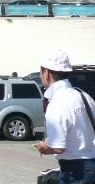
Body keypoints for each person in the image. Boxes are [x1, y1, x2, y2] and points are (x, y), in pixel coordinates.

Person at [36, 49, 95, 183]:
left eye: (40, 72)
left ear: (46, 73)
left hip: (76, 172)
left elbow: (57, 147)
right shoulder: (83, 96)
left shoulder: (57, 102)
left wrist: (43, 147)